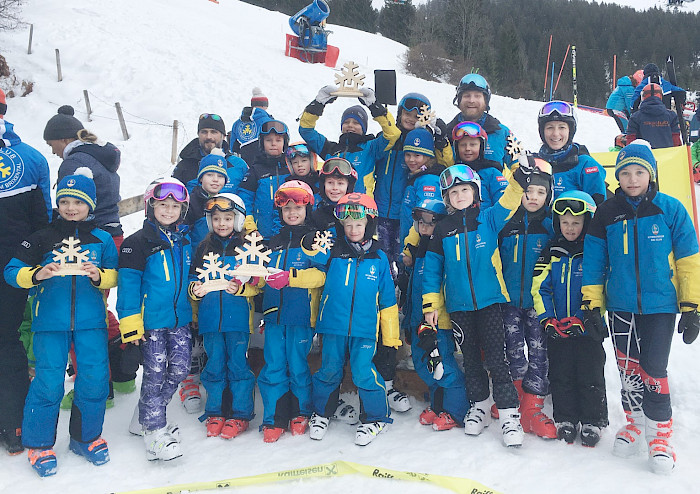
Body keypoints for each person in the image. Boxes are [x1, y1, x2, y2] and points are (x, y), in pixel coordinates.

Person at [582, 140, 700, 474]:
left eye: (639, 172)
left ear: (651, 174)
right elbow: (593, 262)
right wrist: (592, 305)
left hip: (660, 306)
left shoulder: (670, 209)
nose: (632, 179)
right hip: (620, 306)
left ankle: (660, 436)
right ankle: (634, 425)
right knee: (628, 370)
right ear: (617, 176)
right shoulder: (606, 213)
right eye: (625, 173)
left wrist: (692, 307)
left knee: (653, 369)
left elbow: (690, 260)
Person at [4, 168, 117, 476]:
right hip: (49, 324)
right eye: (64, 200)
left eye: (78, 202)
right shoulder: (41, 237)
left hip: (91, 323)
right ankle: (39, 444)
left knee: (93, 380)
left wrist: (99, 276)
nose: (70, 207)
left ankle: (86, 438)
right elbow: (11, 271)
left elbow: (115, 273)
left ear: (90, 205)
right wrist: (35, 274)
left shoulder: (102, 239)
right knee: (48, 382)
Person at [422, 159, 533, 448]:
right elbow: (433, 269)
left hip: (490, 302)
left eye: (465, 190)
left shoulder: (488, 218)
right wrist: (431, 304)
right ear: (447, 199)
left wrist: (519, 177)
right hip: (459, 306)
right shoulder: (442, 230)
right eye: (454, 193)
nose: (460, 196)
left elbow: (510, 201)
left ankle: (509, 415)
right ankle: (480, 406)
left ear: (475, 192)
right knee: (471, 360)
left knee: (497, 360)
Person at [309, 193, 401, 446]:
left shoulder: (379, 257)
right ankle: (321, 412)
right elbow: (314, 272)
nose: (352, 230)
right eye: (347, 225)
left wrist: (390, 334)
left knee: (362, 371)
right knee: (328, 369)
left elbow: (387, 299)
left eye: (358, 225)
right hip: (332, 325)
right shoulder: (332, 251)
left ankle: (375, 417)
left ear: (369, 225)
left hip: (364, 328)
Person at [117, 177, 193, 462]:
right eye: (163, 204)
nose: (169, 210)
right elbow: (127, 289)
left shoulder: (184, 240)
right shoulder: (136, 243)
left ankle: (146, 417)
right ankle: (154, 431)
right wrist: (131, 325)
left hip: (179, 320)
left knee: (180, 369)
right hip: (150, 325)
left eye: (175, 206)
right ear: (151, 206)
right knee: (154, 375)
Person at [531, 190, 608, 447]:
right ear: (557, 223)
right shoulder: (551, 251)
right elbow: (540, 287)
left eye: (576, 222)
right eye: (565, 222)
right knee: (561, 372)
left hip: (588, 328)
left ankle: (593, 420)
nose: (570, 228)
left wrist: (582, 318)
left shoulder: (594, 252)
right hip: (558, 329)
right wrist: (547, 319)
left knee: (590, 373)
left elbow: (601, 287)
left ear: (586, 222)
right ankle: (565, 418)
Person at [0, 92, 51, 455]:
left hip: (13, 268)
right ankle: (13, 425)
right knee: (7, 341)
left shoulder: (31, 158)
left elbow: (42, 224)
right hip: (14, 267)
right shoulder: (32, 157)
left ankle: (13, 423)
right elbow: (42, 222)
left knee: (6, 341)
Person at [258, 181, 328, 443]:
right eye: (286, 209)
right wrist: (255, 281)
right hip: (274, 315)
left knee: (298, 365)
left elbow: (320, 275)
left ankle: (301, 411)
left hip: (301, 315)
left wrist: (291, 277)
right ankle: (274, 416)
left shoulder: (313, 239)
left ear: (307, 209)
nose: (292, 214)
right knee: (274, 364)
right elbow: (264, 275)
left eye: (297, 208)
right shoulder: (272, 243)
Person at [188, 193, 258, 440]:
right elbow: (193, 280)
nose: (221, 223)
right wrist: (194, 292)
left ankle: (240, 413)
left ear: (237, 220)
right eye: (216, 218)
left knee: (238, 365)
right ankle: (215, 411)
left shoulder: (246, 247)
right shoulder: (203, 248)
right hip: (210, 320)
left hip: (238, 320)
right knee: (214, 365)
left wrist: (242, 288)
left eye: (228, 218)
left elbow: (257, 284)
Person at [497, 162, 556, 439]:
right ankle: (516, 397)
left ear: (549, 195)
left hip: (538, 305)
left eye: (540, 192)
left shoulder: (550, 226)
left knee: (539, 351)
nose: (533, 197)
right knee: (512, 350)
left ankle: (534, 405)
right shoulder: (506, 225)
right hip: (509, 300)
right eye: (528, 190)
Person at [402, 198, 468, 431]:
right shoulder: (419, 250)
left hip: (437, 321)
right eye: (420, 222)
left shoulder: (443, 249)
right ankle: (439, 405)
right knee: (425, 365)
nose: (424, 227)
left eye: (430, 223)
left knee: (443, 364)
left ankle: (457, 410)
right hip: (417, 320)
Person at [298, 85, 401, 195]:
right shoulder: (330, 149)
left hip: (361, 208)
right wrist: (317, 104)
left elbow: (392, 134)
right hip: (334, 206)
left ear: (364, 128)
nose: (350, 125)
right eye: (346, 122)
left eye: (356, 123)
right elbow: (306, 130)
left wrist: (375, 107)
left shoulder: (371, 148)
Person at [535, 100, 607, 205]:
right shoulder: (537, 164)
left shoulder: (586, 165)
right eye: (550, 127)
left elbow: (598, 209)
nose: (555, 134)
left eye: (562, 127)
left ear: (570, 131)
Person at [447, 74, 519, 170]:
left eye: (477, 96)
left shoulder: (501, 133)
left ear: (486, 101)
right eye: (467, 96)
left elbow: (518, 167)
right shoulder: (446, 134)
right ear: (459, 100)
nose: (471, 100)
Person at [238, 119, 291, 241]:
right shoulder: (255, 171)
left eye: (278, 140)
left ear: (285, 143)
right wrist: (250, 228)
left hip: (287, 236)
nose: (273, 144)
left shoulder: (290, 169)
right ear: (262, 143)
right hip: (261, 236)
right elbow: (244, 201)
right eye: (268, 140)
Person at [173, 113, 248, 192]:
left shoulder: (238, 164)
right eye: (204, 132)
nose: (209, 137)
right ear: (198, 134)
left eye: (214, 132)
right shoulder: (185, 165)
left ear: (223, 136)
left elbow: (248, 195)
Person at [400, 127, 445, 243]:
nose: (411, 160)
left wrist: (410, 247)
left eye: (417, 155)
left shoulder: (428, 180)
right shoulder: (416, 176)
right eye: (408, 154)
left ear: (428, 156)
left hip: (419, 245)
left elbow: (426, 217)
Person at [451, 121, 508, 210]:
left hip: (485, 221)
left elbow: (504, 201)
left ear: (481, 147)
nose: (467, 149)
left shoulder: (491, 172)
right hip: (458, 222)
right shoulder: (453, 173)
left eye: (473, 145)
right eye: (463, 145)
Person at [311, 157, 358, 238]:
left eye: (340, 183)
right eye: (330, 182)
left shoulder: (357, 213)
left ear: (348, 186)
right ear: (323, 185)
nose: (335, 187)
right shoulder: (317, 216)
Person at [626, 83, 681, 149]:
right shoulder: (672, 116)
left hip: (644, 157)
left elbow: (630, 142)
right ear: (661, 96)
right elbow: (676, 141)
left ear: (643, 97)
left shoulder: (635, 117)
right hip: (668, 156)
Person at [230, 88, 272, 166]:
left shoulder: (237, 123)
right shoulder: (268, 121)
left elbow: (233, 147)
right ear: (265, 105)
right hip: (264, 163)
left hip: (244, 163)